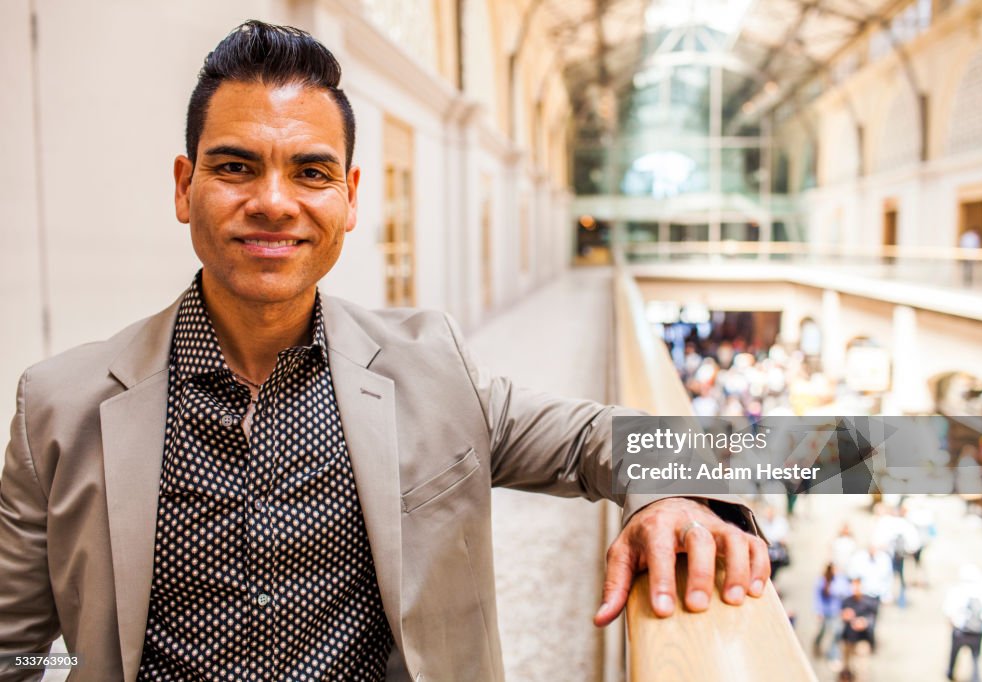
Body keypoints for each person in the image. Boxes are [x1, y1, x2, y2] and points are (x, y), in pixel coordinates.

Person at [0, 21, 769, 682]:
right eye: (235, 166)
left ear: (350, 198)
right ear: (184, 186)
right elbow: (15, 647)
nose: (274, 200)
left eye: (311, 172)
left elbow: (598, 438)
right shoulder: (61, 409)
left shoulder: (430, 369)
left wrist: (670, 495)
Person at [945, 565, 982, 682]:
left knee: (954, 656)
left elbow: (948, 610)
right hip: (977, 633)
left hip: (960, 631)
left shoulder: (957, 590)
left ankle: (951, 674)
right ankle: (975, 679)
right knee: (975, 659)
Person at [839, 578, 879, 676]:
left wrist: (864, 622)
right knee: (847, 667)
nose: (855, 589)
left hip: (862, 639)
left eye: (857, 586)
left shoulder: (869, 602)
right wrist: (845, 616)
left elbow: (872, 619)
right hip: (848, 639)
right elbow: (842, 616)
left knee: (861, 668)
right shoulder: (847, 601)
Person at [813, 562, 851, 664]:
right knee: (823, 631)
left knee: (836, 633)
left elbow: (847, 592)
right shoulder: (822, 580)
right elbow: (818, 598)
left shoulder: (841, 579)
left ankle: (833, 656)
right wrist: (818, 611)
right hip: (825, 612)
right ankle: (817, 644)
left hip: (837, 612)